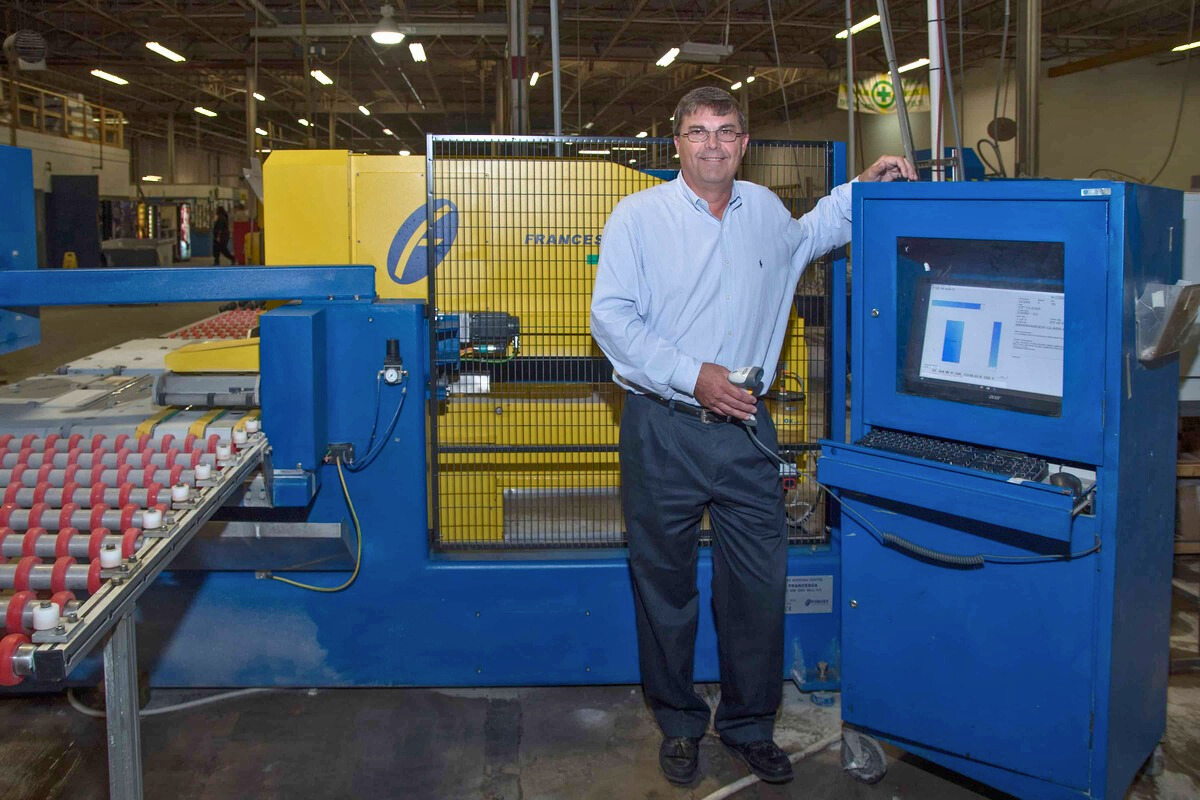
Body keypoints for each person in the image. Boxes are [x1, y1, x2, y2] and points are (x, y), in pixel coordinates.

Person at [590, 86, 915, 786]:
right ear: (674, 141)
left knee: (757, 589)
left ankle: (746, 725)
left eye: (726, 131)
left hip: (746, 433)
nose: (712, 144)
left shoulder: (765, 212)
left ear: (745, 143)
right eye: (697, 131)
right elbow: (611, 319)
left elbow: (814, 235)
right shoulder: (638, 218)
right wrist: (690, 375)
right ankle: (679, 724)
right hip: (662, 428)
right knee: (664, 589)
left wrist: (865, 188)